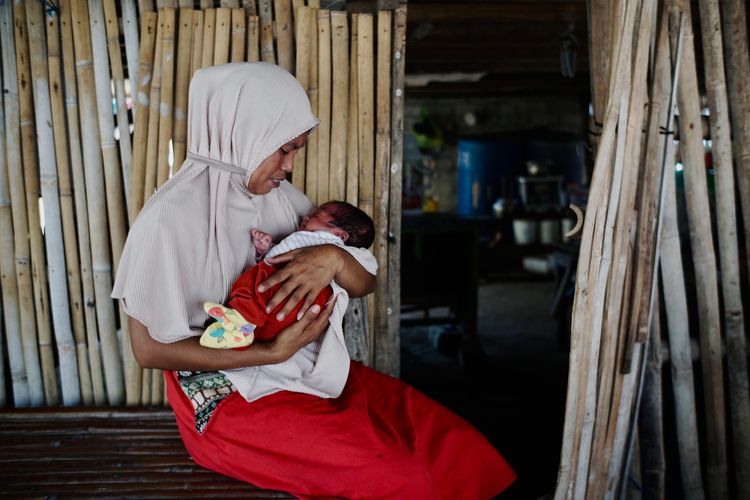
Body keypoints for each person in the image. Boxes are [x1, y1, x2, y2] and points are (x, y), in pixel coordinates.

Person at [112, 62, 515, 499]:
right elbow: (149, 350)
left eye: (296, 151)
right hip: (228, 404)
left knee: (451, 442)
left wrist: (333, 258)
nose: (288, 165)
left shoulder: (285, 202)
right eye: (283, 148)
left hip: (301, 369)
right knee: (401, 476)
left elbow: (364, 284)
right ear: (242, 132)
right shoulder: (168, 220)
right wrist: (269, 351)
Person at [200, 201, 376, 354]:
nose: (305, 217)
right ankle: (236, 330)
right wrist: (266, 248)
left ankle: (239, 323)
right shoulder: (310, 241)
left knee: (253, 280)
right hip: (287, 321)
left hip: (295, 301)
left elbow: (278, 259)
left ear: (339, 235)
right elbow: (283, 253)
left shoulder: (333, 246)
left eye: (316, 215)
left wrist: (268, 255)